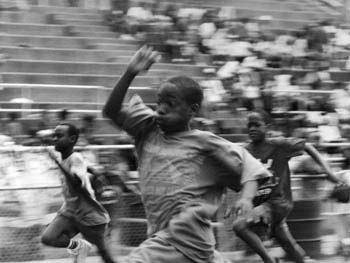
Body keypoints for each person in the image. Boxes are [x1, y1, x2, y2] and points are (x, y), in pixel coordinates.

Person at [103, 46, 272, 263]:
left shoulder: (205, 143)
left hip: (182, 236)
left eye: (170, 105)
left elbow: (252, 169)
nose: (161, 109)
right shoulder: (147, 129)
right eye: (159, 103)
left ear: (192, 110)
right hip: (175, 240)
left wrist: (247, 198)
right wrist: (130, 73)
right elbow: (110, 111)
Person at [232, 111, 344, 263]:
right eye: (249, 125)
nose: (252, 129)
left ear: (268, 127)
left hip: (277, 203)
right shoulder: (245, 151)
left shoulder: (279, 145)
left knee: (239, 226)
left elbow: (308, 146)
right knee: (289, 246)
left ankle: (269, 260)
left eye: (257, 125)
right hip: (261, 204)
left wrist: (329, 172)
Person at [41, 123, 116, 263]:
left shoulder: (76, 158)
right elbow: (85, 167)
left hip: (89, 213)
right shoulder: (68, 158)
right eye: (54, 136)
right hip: (70, 210)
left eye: (59, 135)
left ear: (72, 139)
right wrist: (94, 171)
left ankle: (81, 249)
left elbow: (76, 184)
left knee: (105, 255)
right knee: (48, 238)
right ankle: (79, 247)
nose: (55, 139)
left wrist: (57, 163)